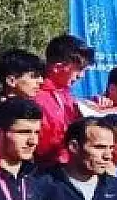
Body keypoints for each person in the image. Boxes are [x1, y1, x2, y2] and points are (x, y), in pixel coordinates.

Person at [35, 34, 90, 167]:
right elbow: (42, 145)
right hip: (46, 170)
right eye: (78, 69)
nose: (81, 76)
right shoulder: (37, 97)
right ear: (57, 67)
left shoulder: (67, 95)